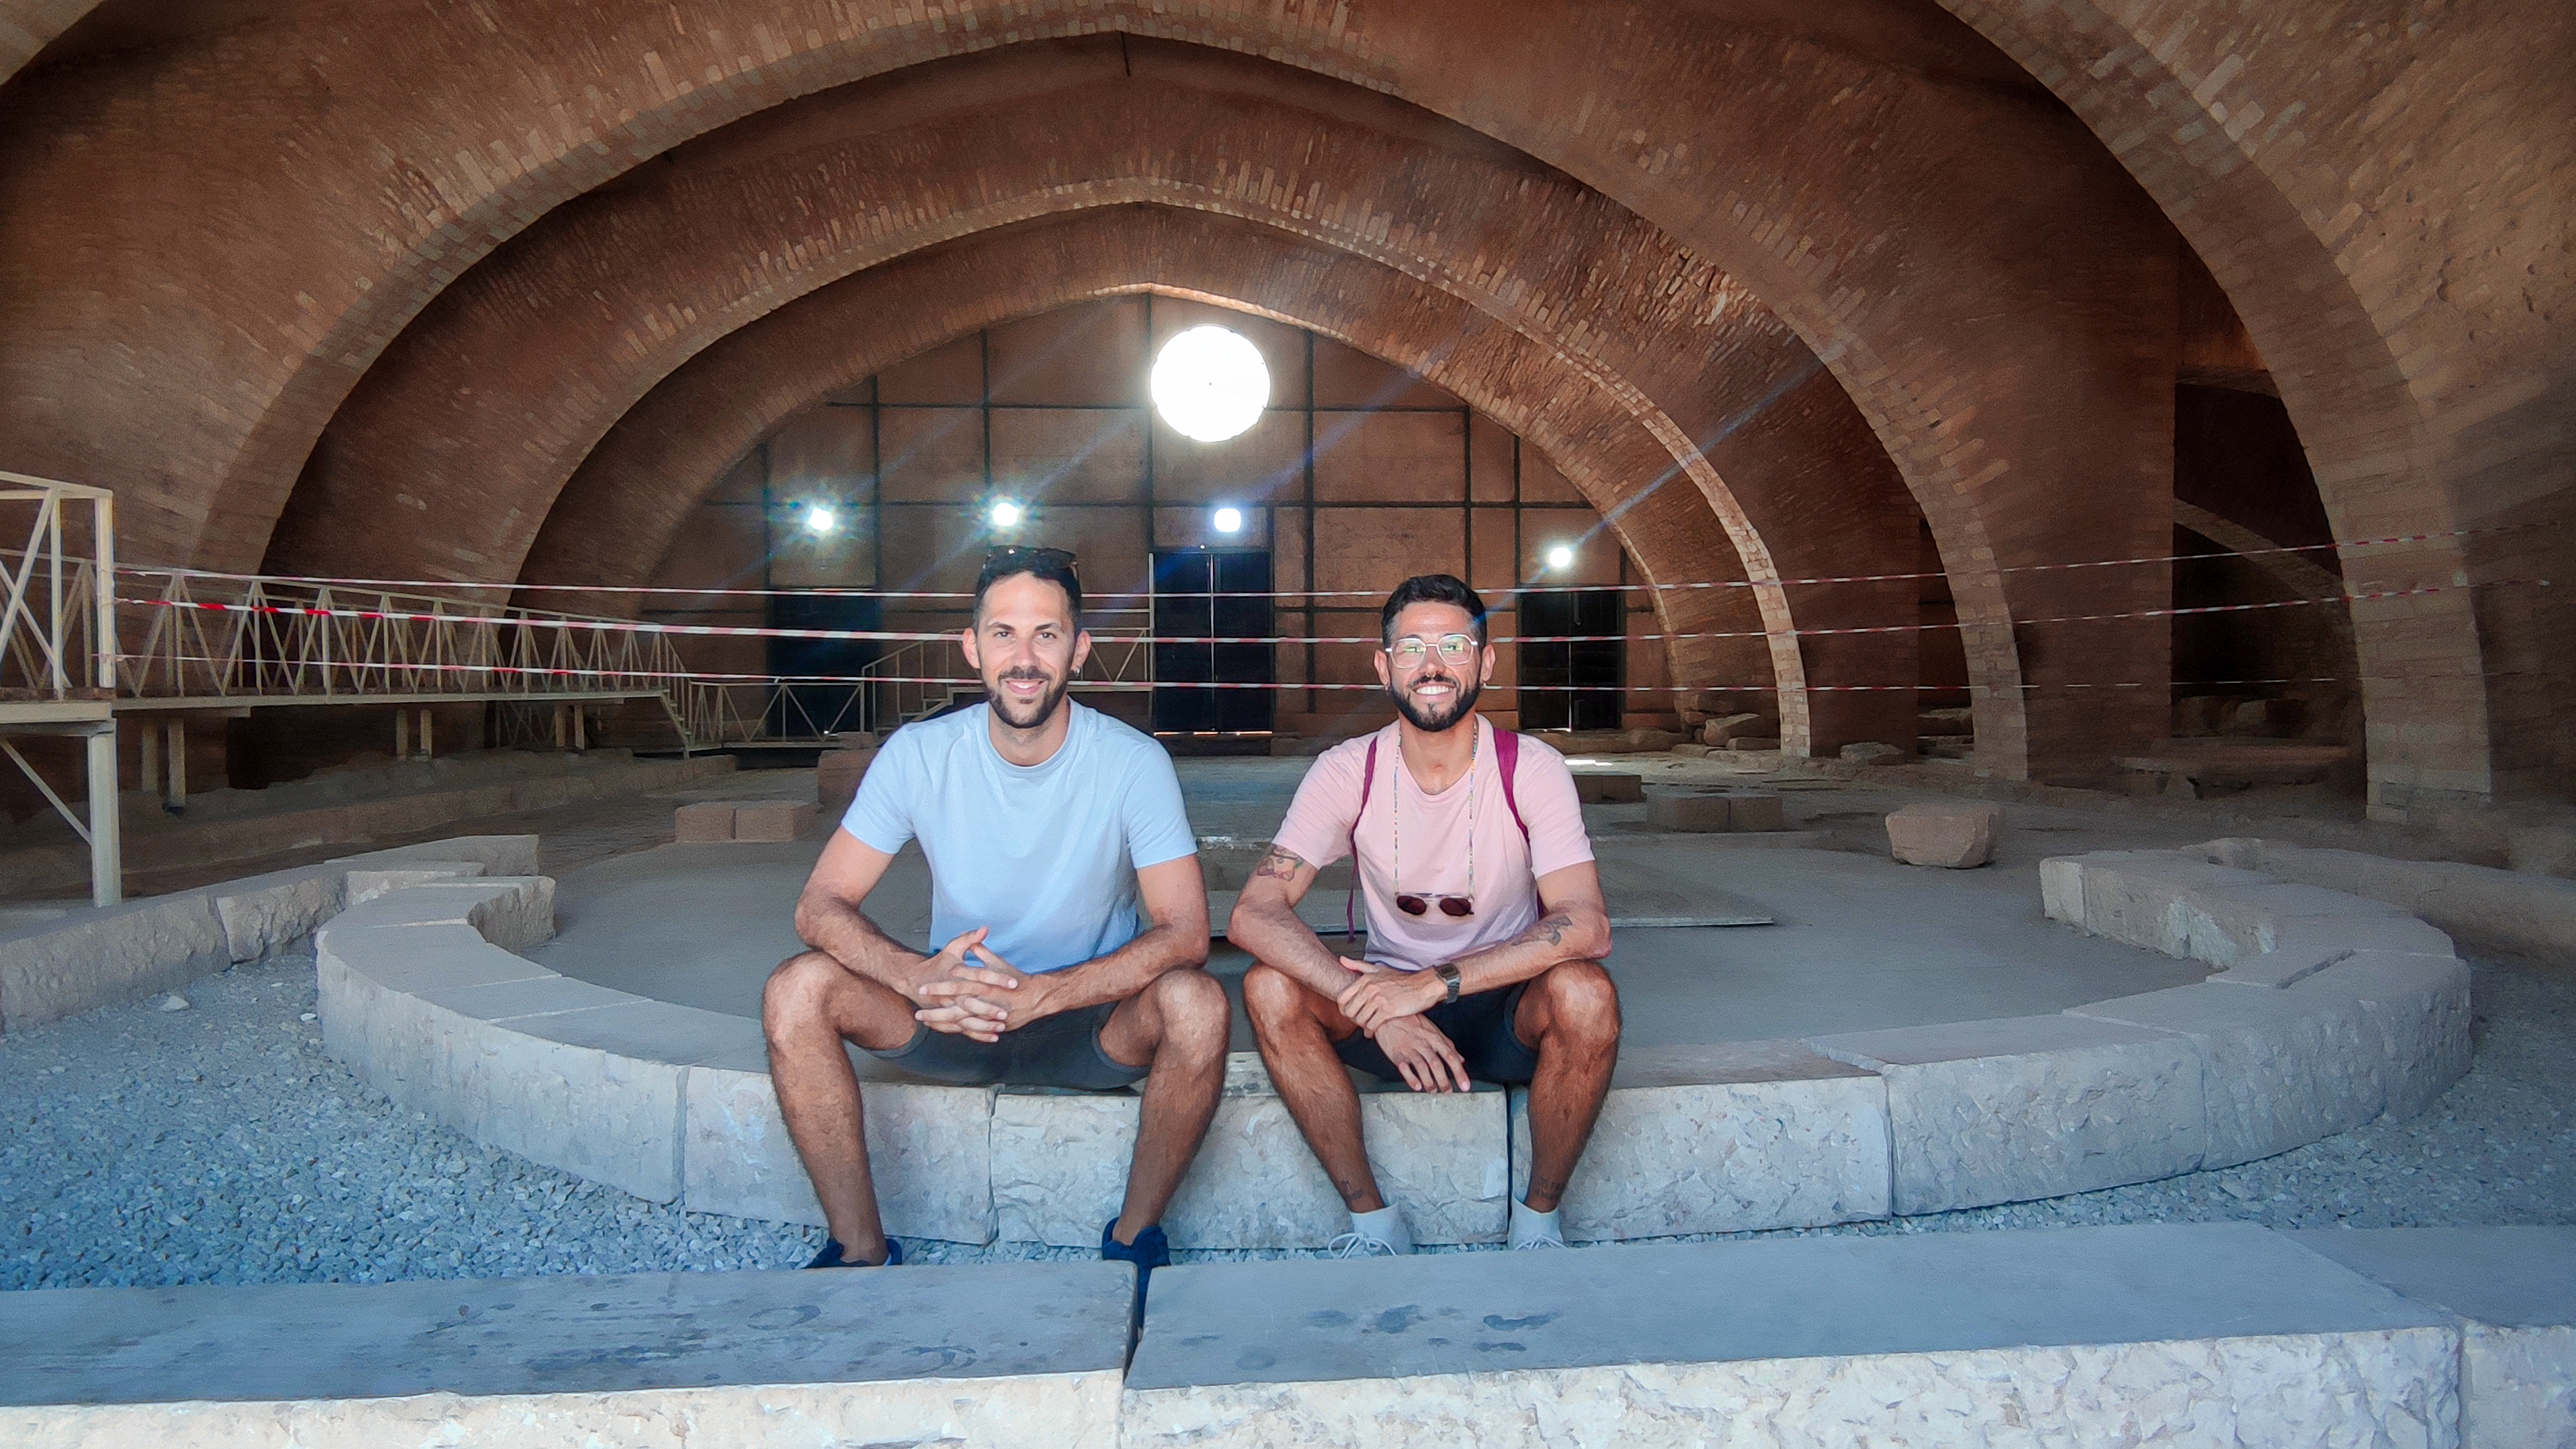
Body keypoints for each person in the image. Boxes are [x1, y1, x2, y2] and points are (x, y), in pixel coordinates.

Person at [763, 546, 1226, 1284]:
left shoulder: (1133, 762)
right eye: (1003, 633)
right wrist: (914, 976)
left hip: (1088, 1021)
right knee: (797, 988)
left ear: (1079, 649)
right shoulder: (919, 755)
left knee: (1197, 1004)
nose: (1024, 657)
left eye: (1047, 634)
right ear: (971, 647)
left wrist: (1050, 992)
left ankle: (1134, 1236)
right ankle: (859, 1249)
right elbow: (820, 906)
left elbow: (1186, 933)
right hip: (954, 1013)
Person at [1229, 573, 1620, 1255]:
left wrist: (1432, 984)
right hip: (1388, 1012)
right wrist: (1378, 1004)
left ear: (1485, 662)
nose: (1433, 665)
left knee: (1585, 994)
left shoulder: (1530, 766)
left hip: (1503, 1007)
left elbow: (1585, 923)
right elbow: (1255, 913)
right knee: (1267, 984)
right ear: (1384, 667)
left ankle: (1538, 1225)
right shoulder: (1348, 768)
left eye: (1453, 645)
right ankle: (1373, 1226)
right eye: (1411, 648)